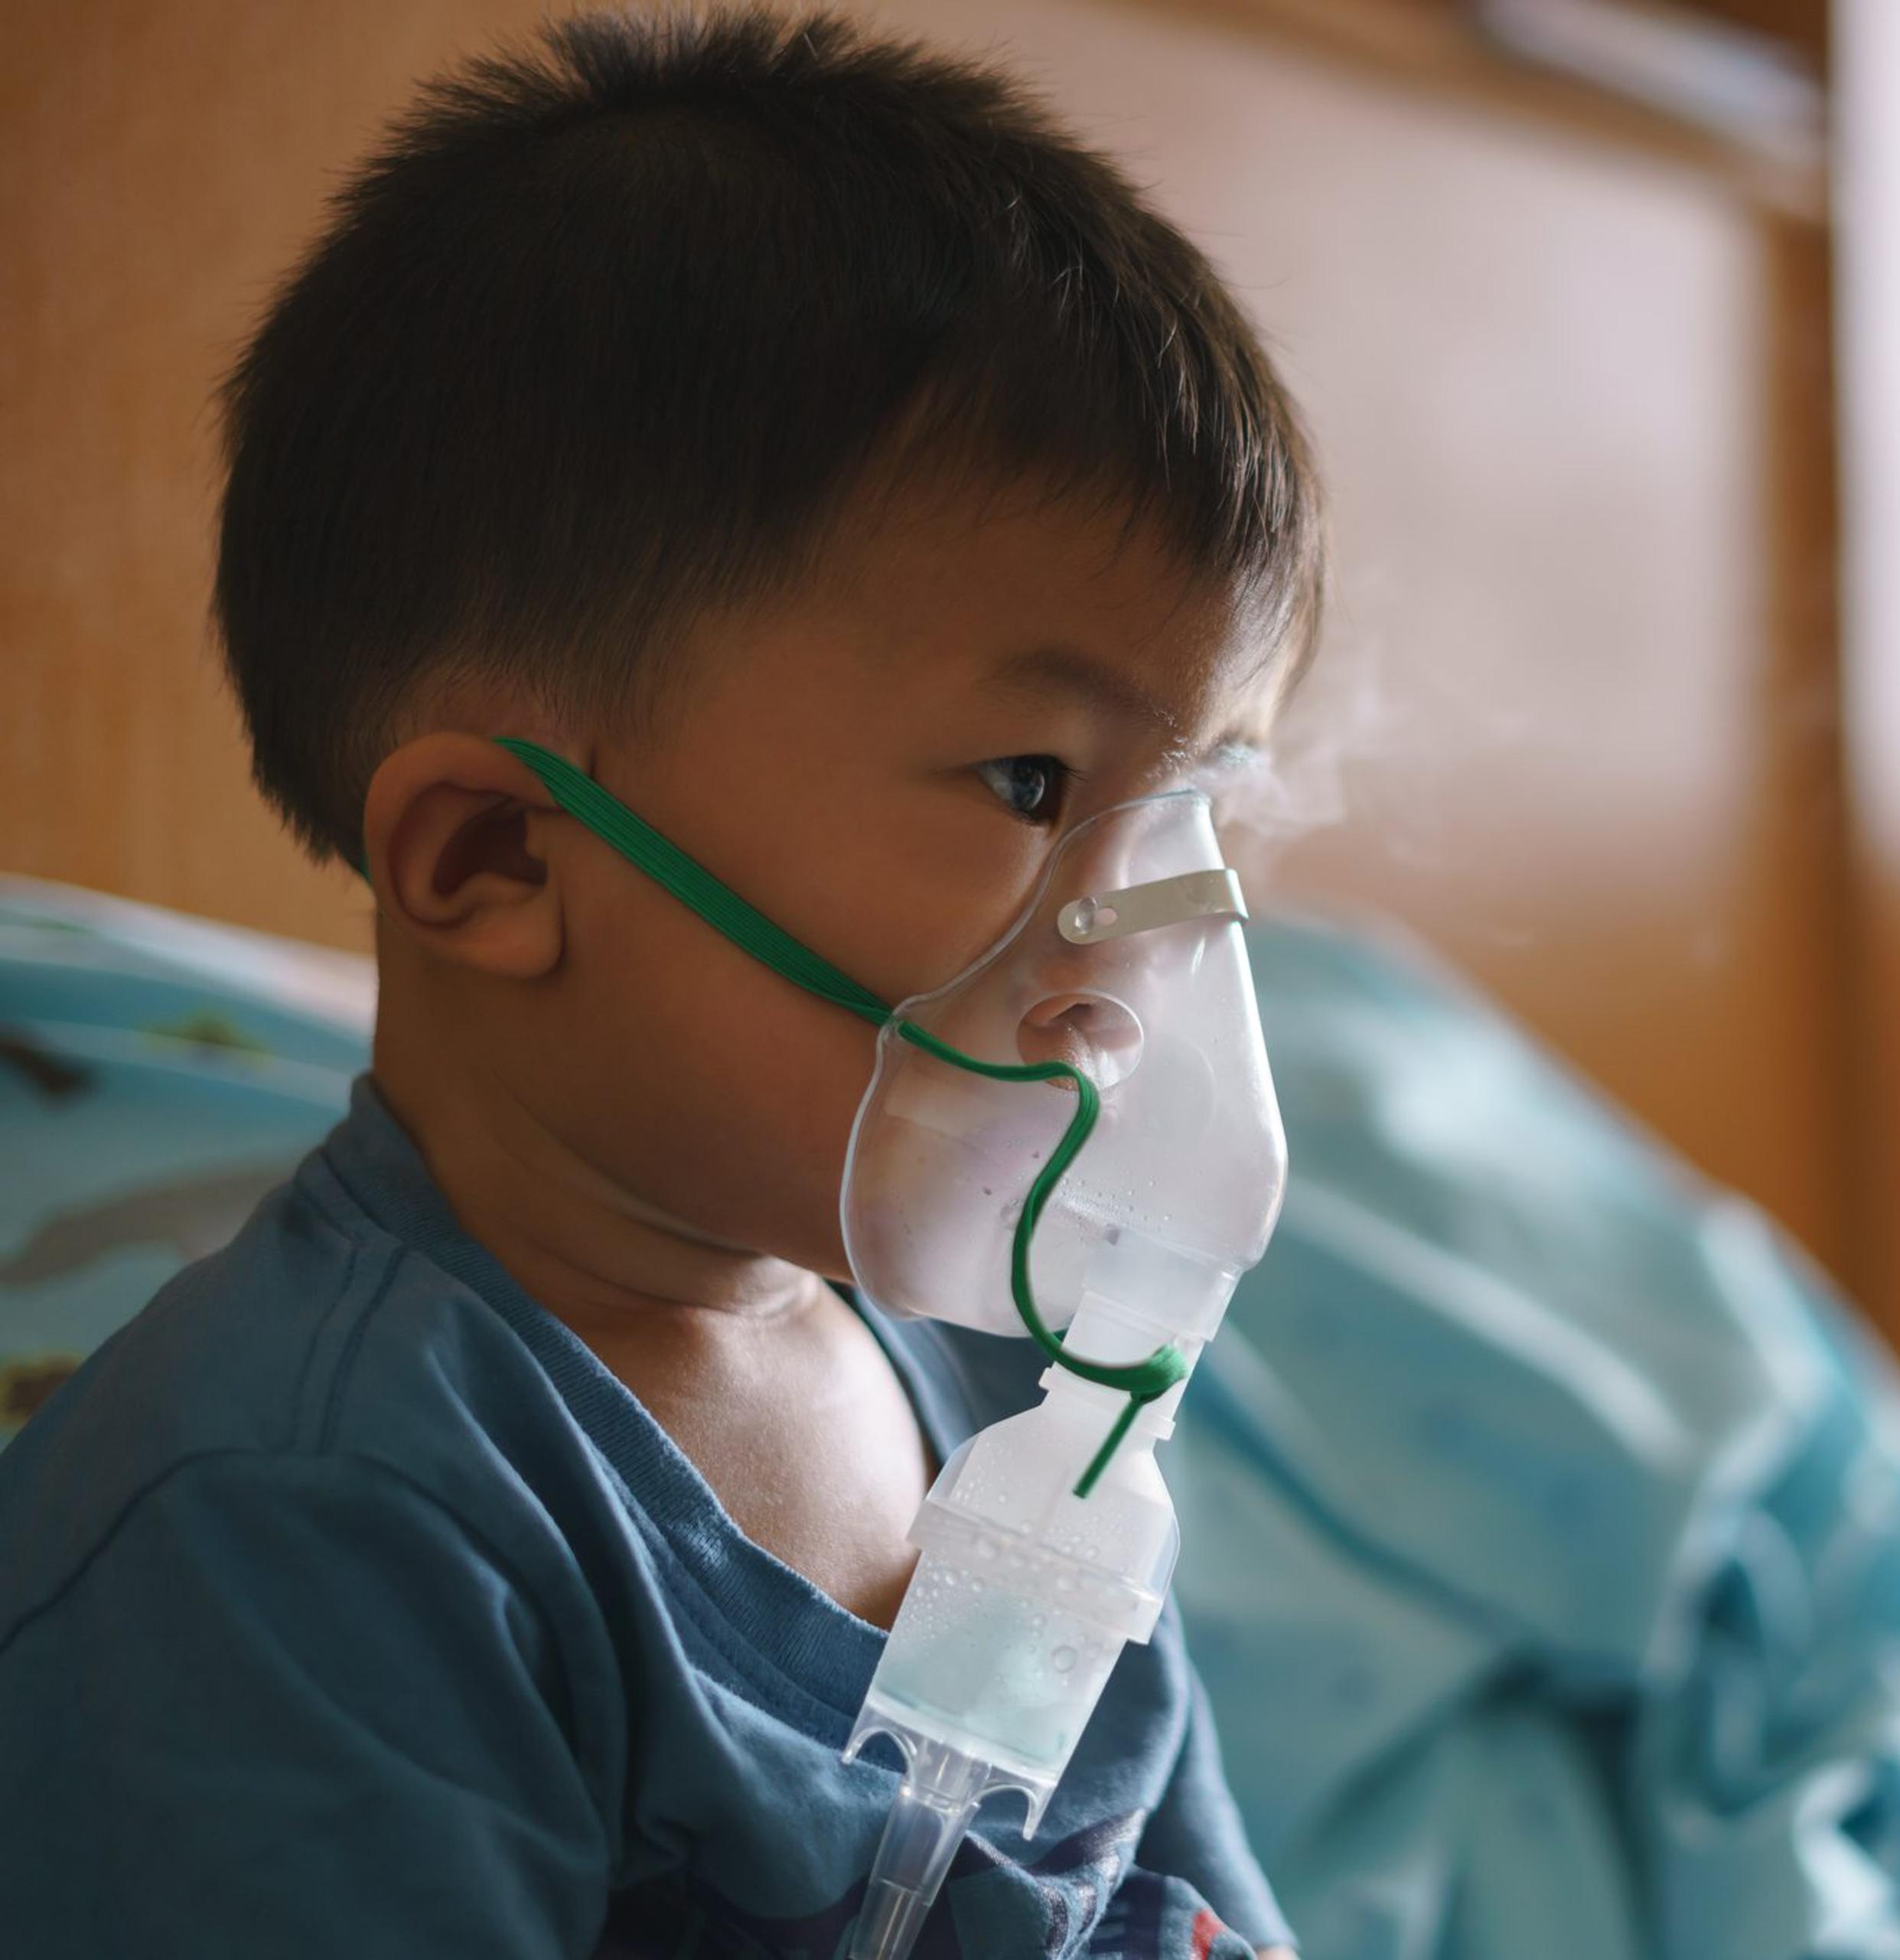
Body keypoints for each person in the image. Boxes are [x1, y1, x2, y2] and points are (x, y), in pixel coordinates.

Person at [0, 11, 1319, 1955]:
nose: (1139, 964)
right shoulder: (301, 1515)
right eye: (1037, 785)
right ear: (501, 860)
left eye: (1187, 816)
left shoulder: (1021, 1408)